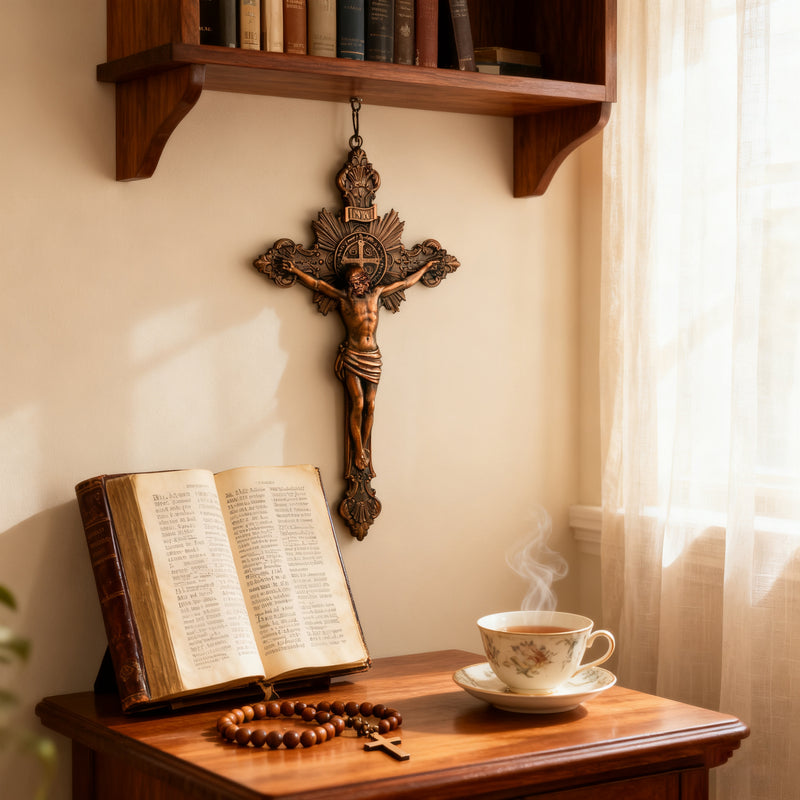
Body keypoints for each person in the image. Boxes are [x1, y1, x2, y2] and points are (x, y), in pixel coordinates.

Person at [276, 255, 437, 472]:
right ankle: (358, 448)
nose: (356, 285)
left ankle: (364, 445)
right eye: (352, 282)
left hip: (373, 356)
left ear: (365, 280)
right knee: (358, 404)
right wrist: (295, 271)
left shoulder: (377, 293)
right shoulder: (344, 298)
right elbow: (317, 284)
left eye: (359, 280)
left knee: (370, 405)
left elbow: (405, 282)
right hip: (353, 355)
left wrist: (426, 267)